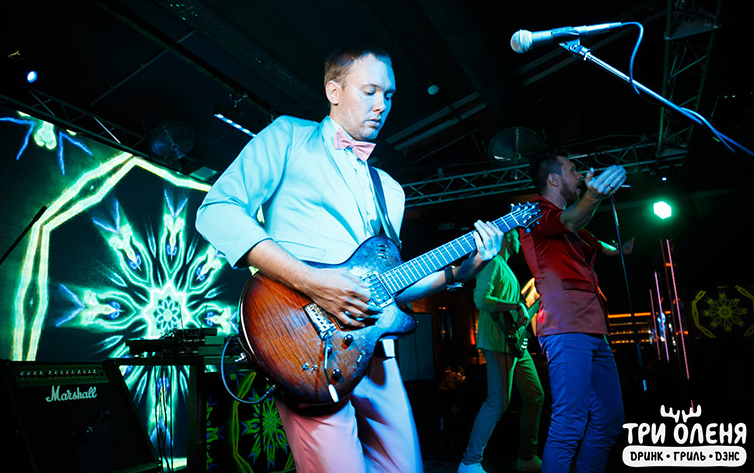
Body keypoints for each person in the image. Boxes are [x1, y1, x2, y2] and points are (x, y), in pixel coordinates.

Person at [195, 45, 504, 472]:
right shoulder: (288, 136)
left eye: (389, 95)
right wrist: (312, 282)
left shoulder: (390, 189)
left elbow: (391, 283)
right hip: (306, 342)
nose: (382, 106)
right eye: (369, 91)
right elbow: (217, 212)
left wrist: (459, 271)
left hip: (374, 349)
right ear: (334, 91)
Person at [519, 152, 633, 472]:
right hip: (565, 325)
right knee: (569, 422)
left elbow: (592, 238)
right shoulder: (534, 213)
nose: (579, 175)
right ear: (554, 179)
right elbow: (570, 219)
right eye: (572, 170)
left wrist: (622, 249)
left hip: (593, 325)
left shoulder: (575, 227)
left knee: (610, 418)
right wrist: (593, 195)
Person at [458, 229, 544, 473]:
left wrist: (527, 309)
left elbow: (514, 312)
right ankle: (469, 462)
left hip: (513, 342)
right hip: (497, 342)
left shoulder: (505, 267)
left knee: (534, 395)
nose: (520, 241)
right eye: (517, 236)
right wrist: (516, 305)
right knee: (497, 402)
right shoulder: (493, 262)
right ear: (507, 237)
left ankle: (526, 457)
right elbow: (481, 300)